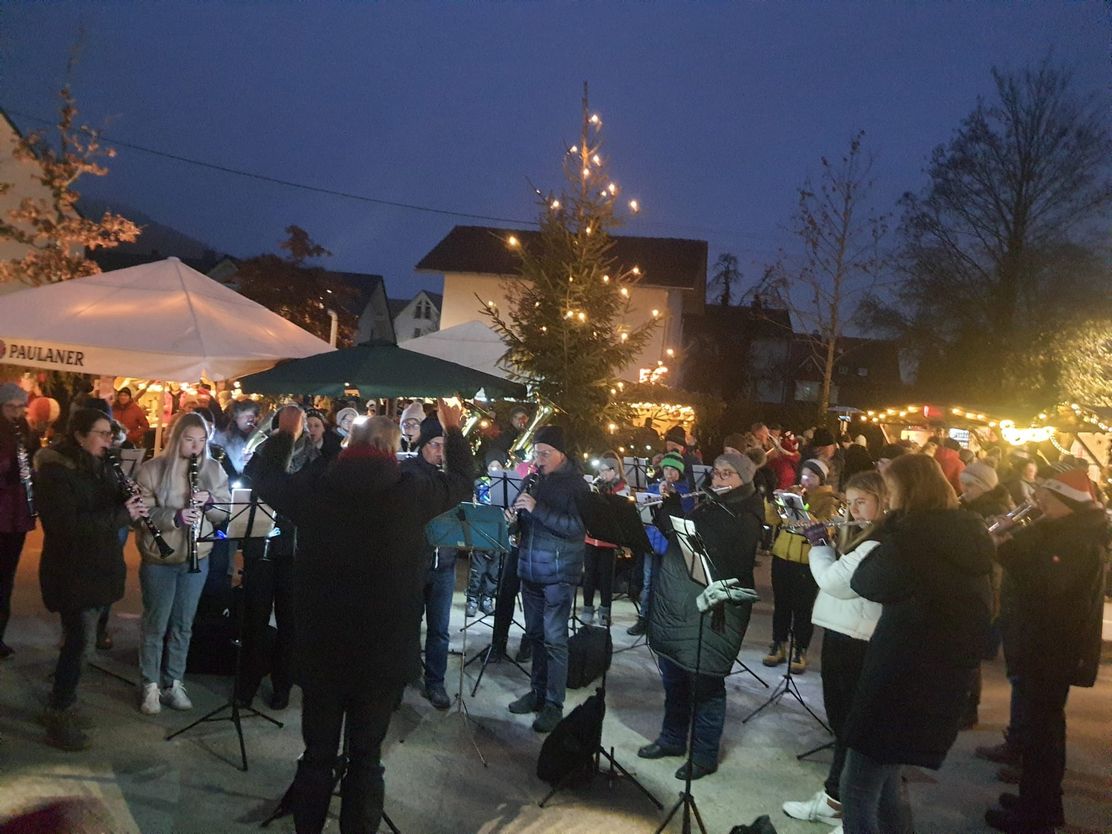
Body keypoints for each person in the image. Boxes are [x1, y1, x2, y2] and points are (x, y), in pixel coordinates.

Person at [250, 403, 465, 834]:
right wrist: (454, 431)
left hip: (323, 645)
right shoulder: (413, 491)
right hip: (382, 650)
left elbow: (265, 478)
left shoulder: (318, 485)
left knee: (317, 755)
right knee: (367, 759)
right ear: (393, 447)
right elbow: (460, 481)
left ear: (349, 443)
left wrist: (286, 433)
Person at [838, 453, 993, 834]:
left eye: (891, 490)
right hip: (938, 678)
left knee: (857, 788)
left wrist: (888, 527)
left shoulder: (912, 540)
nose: (888, 499)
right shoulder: (966, 533)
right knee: (887, 781)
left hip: (899, 675)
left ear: (909, 492)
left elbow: (865, 582)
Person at [982, 468, 1106, 834]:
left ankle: (1036, 817)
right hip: (1044, 645)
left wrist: (1006, 546)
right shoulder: (1065, 529)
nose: (1040, 502)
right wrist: (1010, 537)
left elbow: (1047, 586)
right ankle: (1040, 803)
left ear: (1067, 502)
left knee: (1043, 735)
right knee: (1043, 731)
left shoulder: (1076, 538)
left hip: (1052, 648)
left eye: (1047, 498)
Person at [640, 451, 764, 780]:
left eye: (726, 474)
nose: (717, 479)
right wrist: (667, 506)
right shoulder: (708, 503)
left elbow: (724, 554)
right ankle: (672, 738)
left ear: (743, 479)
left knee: (705, 683)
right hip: (682, 602)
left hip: (715, 608)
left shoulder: (747, 513)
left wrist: (680, 519)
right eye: (716, 472)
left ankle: (704, 754)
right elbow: (678, 535)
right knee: (674, 674)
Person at [34, 408, 146, 750]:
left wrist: (128, 499)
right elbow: (66, 527)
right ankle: (59, 712)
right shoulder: (55, 473)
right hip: (72, 571)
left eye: (110, 434)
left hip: (99, 567)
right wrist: (121, 514)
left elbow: (105, 506)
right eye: (101, 433)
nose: (108, 440)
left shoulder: (101, 466)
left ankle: (62, 701)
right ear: (80, 436)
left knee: (80, 643)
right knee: (79, 643)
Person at [783, 471, 887, 829]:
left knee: (850, 728)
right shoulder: (864, 534)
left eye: (862, 502)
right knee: (842, 725)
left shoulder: (878, 541)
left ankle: (851, 810)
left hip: (856, 637)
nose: (853, 510)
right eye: (850, 502)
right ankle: (834, 797)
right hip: (844, 630)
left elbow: (834, 581)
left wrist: (819, 545)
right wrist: (832, 538)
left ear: (884, 501)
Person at [133, 413, 231, 715]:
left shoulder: (213, 470)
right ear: (177, 439)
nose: (196, 447)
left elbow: (225, 512)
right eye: (189, 440)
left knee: (183, 624)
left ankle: (173, 681)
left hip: (196, 554)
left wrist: (210, 503)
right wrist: (174, 517)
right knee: (155, 623)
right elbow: (142, 514)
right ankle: (150, 683)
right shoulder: (152, 469)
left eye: (201, 441)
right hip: (159, 558)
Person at [506, 425, 588, 734]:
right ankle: (537, 692)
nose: (538, 459)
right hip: (530, 569)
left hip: (558, 573)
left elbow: (576, 527)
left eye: (545, 453)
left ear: (561, 454)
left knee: (555, 640)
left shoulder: (577, 485)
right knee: (536, 635)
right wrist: (513, 521)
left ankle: (554, 704)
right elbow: (524, 521)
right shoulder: (533, 480)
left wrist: (536, 508)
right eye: (536, 453)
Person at [401, 413, 474, 710]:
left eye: (445, 446)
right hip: (414, 562)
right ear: (422, 445)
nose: (440, 452)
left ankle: (435, 682)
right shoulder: (409, 472)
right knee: (407, 625)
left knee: (440, 629)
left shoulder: (447, 477)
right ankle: (401, 677)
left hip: (443, 563)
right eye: (435, 444)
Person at [763, 458, 839, 672]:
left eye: (812, 476)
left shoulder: (829, 500)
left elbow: (825, 528)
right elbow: (773, 520)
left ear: (822, 479)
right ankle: (778, 644)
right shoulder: (793, 493)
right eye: (804, 476)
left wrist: (800, 505)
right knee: (781, 604)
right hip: (782, 555)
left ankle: (800, 649)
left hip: (807, 560)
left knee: (803, 608)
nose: (806, 481)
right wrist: (775, 501)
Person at [629, 451, 694, 637]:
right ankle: (644, 618)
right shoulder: (654, 486)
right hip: (653, 540)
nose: (669, 474)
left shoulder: (685, 491)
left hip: (671, 543)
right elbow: (643, 509)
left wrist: (674, 496)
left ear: (679, 472)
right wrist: (656, 495)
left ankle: (663, 621)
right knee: (648, 581)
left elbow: (688, 511)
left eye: (673, 470)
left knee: (667, 582)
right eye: (666, 469)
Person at [0, 383, 36, 659]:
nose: (15, 412)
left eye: (19, 407)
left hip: (17, 514)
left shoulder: (24, 431)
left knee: (6, 577)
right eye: (10, 407)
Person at [581, 452, 628, 626]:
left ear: (615, 471)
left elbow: (621, 511)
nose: (602, 474)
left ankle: (605, 610)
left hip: (609, 539)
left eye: (605, 471)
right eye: (600, 471)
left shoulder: (622, 488)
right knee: (589, 574)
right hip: (591, 537)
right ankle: (587, 608)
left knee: (606, 576)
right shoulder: (596, 485)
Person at [214, 399, 261, 481]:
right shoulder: (223, 438)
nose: (251, 419)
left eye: (253, 415)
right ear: (236, 418)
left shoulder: (259, 438)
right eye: (246, 416)